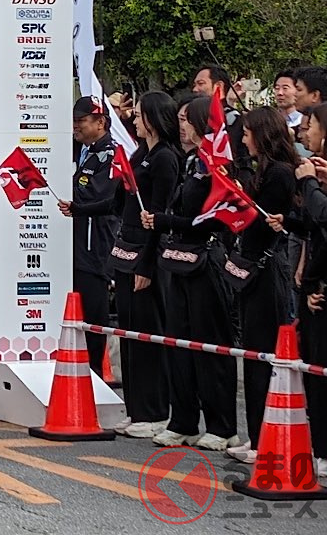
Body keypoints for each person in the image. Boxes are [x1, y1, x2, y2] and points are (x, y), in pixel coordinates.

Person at [71, 91, 182, 438]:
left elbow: (158, 216)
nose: (133, 119)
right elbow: (117, 203)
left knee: (149, 334)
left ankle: (156, 411)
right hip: (124, 250)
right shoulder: (138, 154)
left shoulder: (165, 158)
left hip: (146, 255)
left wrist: (147, 266)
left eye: (139, 114)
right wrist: (75, 208)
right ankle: (136, 410)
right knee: (130, 334)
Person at [140, 96, 239, 450]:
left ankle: (222, 424)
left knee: (210, 344)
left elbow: (214, 218)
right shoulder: (190, 161)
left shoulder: (217, 165)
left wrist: (164, 220)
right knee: (177, 340)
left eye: (186, 119)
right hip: (178, 259)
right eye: (179, 118)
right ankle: (182, 418)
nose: (181, 125)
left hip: (206, 259)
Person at [226, 106, 299, 464]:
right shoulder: (262, 170)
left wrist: (237, 203)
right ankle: (255, 435)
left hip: (268, 269)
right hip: (251, 266)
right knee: (252, 356)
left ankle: (266, 438)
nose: (242, 138)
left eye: (247, 132)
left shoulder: (281, 174)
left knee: (263, 355)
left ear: (262, 134)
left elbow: (260, 220)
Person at [280, 102, 327, 477]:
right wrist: (289, 224)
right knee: (314, 372)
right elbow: (313, 225)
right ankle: (319, 448)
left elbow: (325, 217)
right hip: (314, 286)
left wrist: (309, 180)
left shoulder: (313, 176)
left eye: (309, 126)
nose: (303, 132)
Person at [57, 96, 119, 372]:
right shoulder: (75, 148)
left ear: (100, 122)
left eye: (81, 121)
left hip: (96, 246)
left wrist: (63, 189)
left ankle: (94, 373)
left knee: (94, 315)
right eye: (73, 121)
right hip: (71, 242)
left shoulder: (112, 153)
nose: (75, 127)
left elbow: (95, 194)